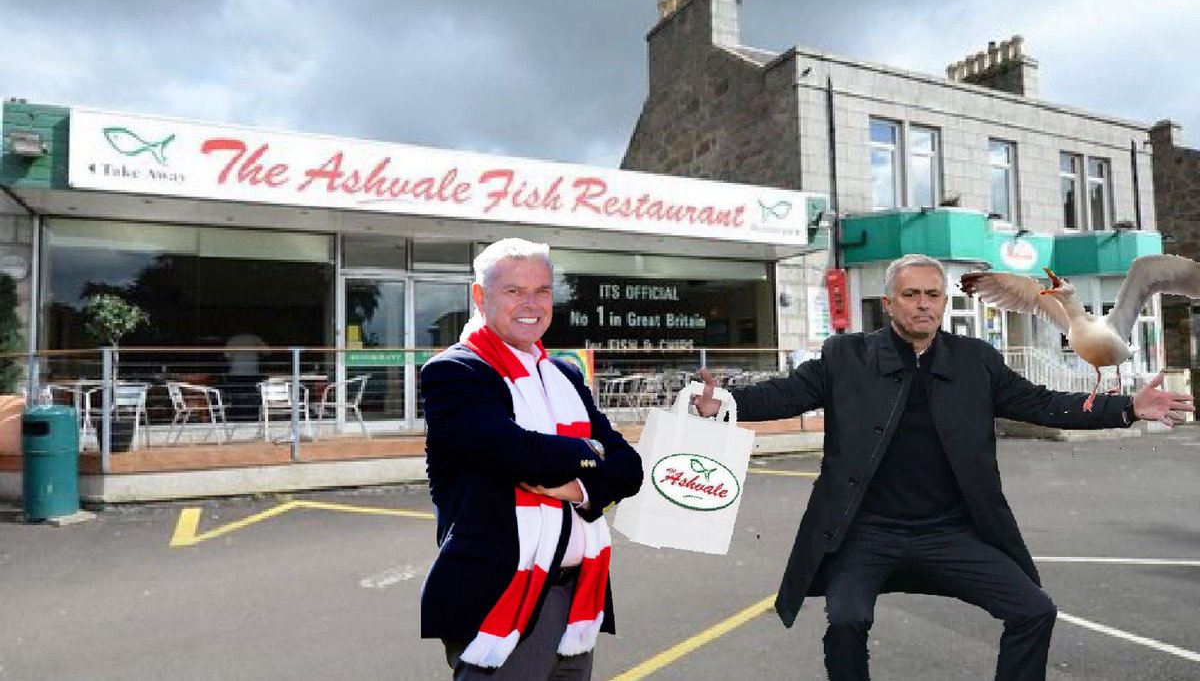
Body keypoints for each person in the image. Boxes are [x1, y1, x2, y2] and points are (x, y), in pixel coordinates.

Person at [692, 253, 1194, 681]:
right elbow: (787, 393)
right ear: (889, 304)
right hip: (866, 531)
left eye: (933, 294)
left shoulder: (976, 360)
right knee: (845, 620)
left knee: (1034, 611)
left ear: (944, 301)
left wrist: (1126, 407)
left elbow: (1041, 404)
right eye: (911, 295)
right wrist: (726, 404)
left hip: (953, 531)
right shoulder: (847, 356)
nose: (924, 303)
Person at [420, 238, 643, 680]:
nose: (532, 303)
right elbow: (520, 455)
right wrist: (592, 453)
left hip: (578, 594)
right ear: (480, 297)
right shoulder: (455, 373)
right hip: (502, 597)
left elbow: (629, 468)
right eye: (514, 290)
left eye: (542, 290)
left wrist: (578, 485)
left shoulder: (563, 373)